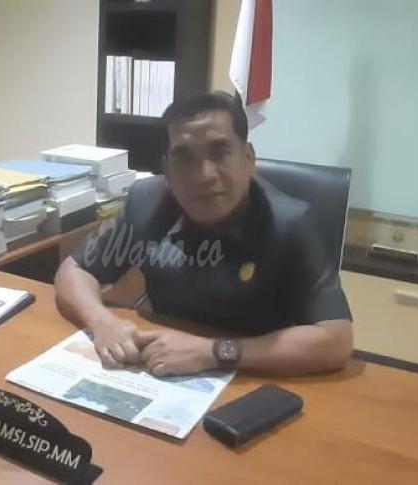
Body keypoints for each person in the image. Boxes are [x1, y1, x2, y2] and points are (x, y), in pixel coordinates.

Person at [54, 91, 353, 377]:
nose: (204, 175)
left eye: (220, 152)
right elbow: (75, 270)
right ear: (167, 170)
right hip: (160, 367)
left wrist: (214, 352)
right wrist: (102, 321)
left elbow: (336, 339)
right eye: (184, 158)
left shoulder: (290, 223)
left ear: (248, 159)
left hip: (253, 376)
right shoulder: (145, 203)